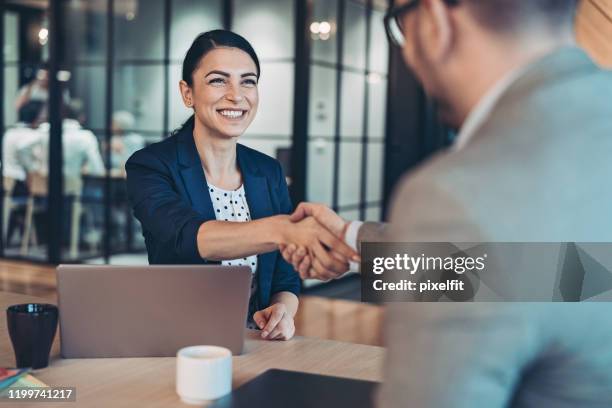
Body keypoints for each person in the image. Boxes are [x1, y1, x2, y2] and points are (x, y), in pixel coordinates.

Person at [282, 0, 612, 406]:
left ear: (435, 21)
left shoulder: (456, 193)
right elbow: (564, 274)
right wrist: (349, 238)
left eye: (400, 26)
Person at [125, 30, 358, 341]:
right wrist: (284, 229)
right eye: (218, 80)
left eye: (248, 81)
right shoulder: (150, 165)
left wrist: (282, 312)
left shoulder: (268, 171)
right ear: (187, 93)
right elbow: (185, 236)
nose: (236, 94)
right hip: (179, 342)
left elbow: (285, 278)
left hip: (255, 344)